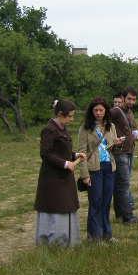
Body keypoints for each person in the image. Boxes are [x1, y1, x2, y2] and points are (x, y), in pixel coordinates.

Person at [34, 99, 85, 247]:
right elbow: (46, 154)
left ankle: (68, 240)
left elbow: (63, 151)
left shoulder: (62, 128)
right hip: (52, 179)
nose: (72, 119)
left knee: (66, 206)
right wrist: (65, 163)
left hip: (64, 178)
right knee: (56, 207)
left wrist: (75, 155)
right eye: (70, 116)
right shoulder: (49, 130)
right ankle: (53, 242)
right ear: (60, 114)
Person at [78, 97, 120, 241]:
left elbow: (110, 147)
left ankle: (107, 235)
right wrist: (84, 175)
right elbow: (82, 152)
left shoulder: (111, 126)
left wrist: (116, 142)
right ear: (91, 111)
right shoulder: (85, 128)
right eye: (95, 110)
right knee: (95, 202)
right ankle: (94, 237)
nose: (98, 112)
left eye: (101, 110)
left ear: (106, 111)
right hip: (93, 168)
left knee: (106, 202)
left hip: (109, 166)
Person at [110, 86, 138, 224]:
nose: (131, 101)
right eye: (129, 98)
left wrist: (136, 134)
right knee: (124, 184)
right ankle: (128, 217)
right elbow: (102, 125)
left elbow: (133, 127)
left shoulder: (129, 111)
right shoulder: (115, 112)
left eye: (134, 99)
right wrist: (112, 139)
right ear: (123, 98)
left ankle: (119, 215)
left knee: (120, 185)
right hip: (120, 152)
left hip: (129, 151)